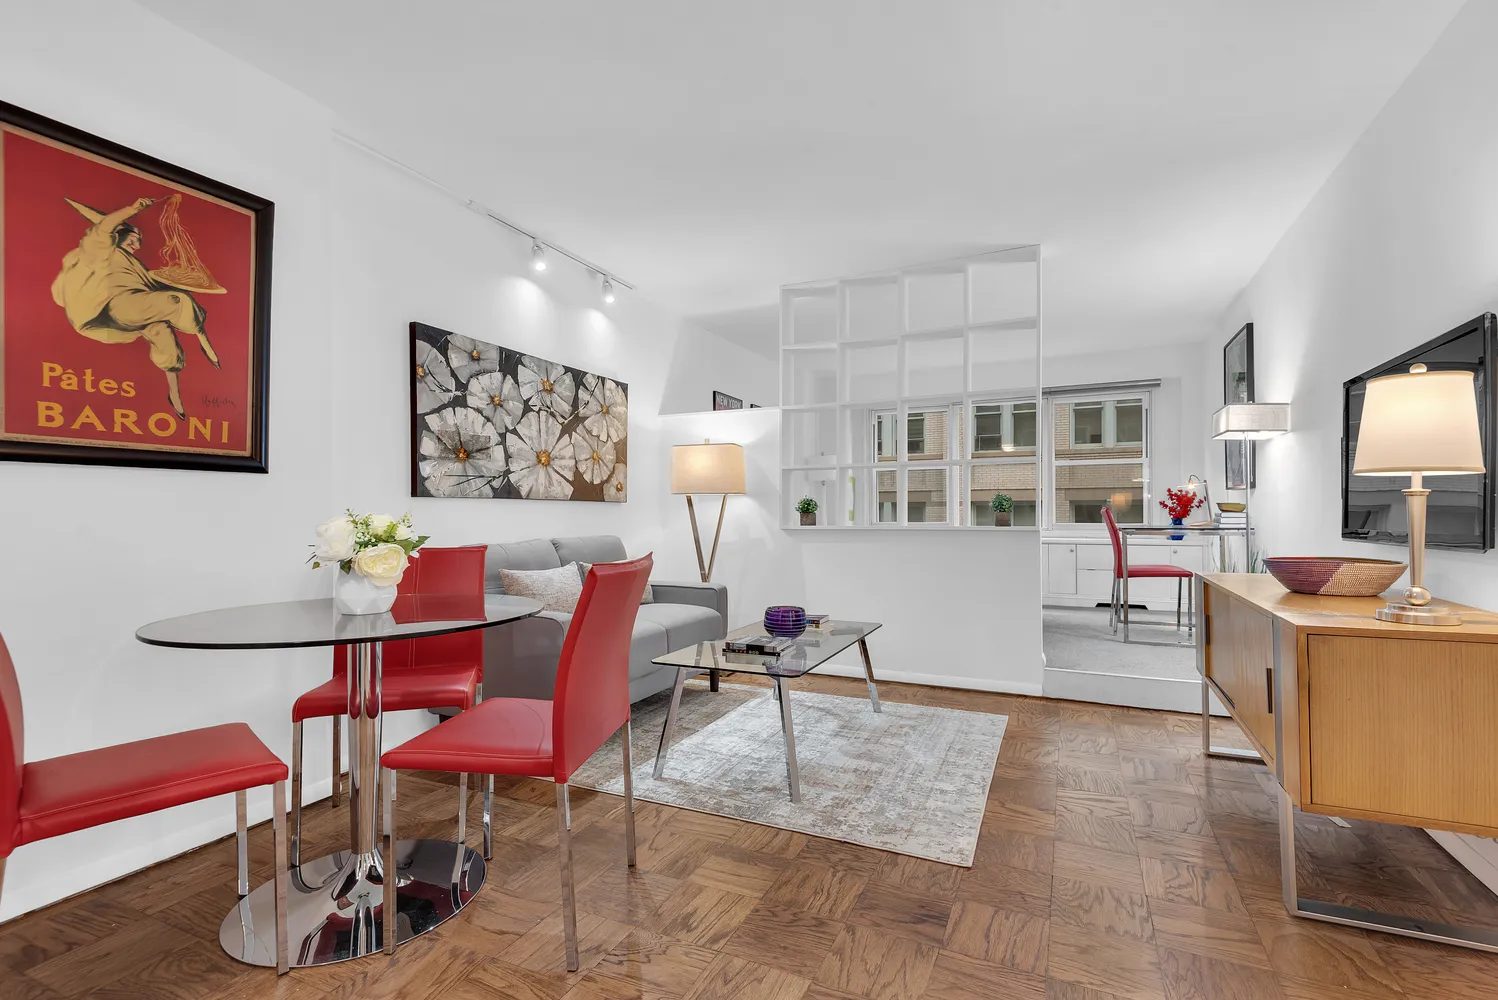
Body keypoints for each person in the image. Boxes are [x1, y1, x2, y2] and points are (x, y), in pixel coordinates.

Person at [51, 196, 219, 419]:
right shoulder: (99, 249)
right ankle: (204, 342)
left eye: (139, 240)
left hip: (133, 310)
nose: (138, 245)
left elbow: (152, 287)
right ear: (118, 236)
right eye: (134, 238)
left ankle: (174, 394)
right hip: (113, 307)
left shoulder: (136, 265)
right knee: (175, 301)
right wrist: (131, 209)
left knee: (162, 332)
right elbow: (105, 227)